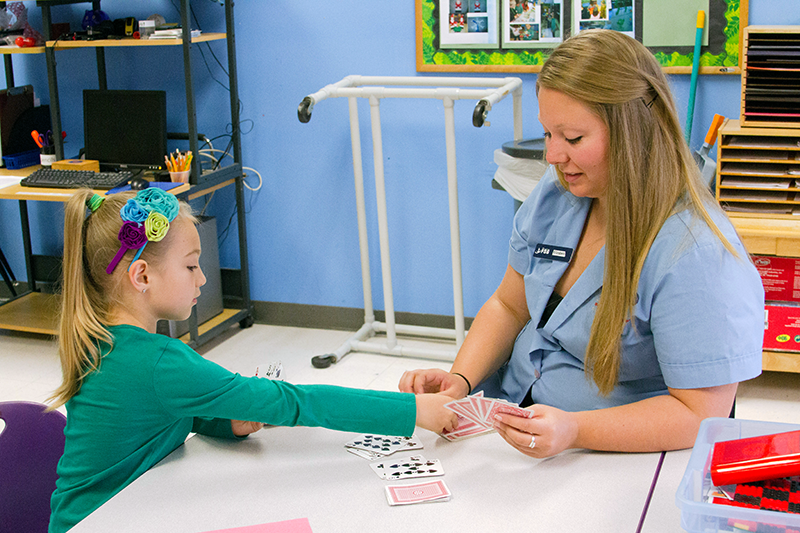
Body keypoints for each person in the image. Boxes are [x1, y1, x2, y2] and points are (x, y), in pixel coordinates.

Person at [399, 30, 764, 459]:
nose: (553, 155)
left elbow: (699, 414)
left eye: (572, 139)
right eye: (548, 134)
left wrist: (575, 429)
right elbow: (509, 305)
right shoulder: (557, 197)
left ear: (634, 134)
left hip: (614, 454)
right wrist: (459, 382)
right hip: (515, 421)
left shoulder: (696, 253)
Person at [48, 188, 457, 532]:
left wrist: (226, 421)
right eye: (191, 266)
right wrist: (414, 409)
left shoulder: (100, 338)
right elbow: (294, 402)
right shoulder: (159, 362)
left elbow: (157, 417)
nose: (203, 279)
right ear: (141, 277)